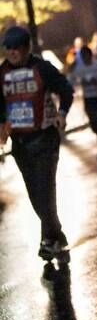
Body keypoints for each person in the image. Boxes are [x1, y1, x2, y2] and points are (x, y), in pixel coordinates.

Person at [0, 26, 74, 263]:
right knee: (35, 194)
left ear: (27, 47)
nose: (13, 54)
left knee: (45, 190)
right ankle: (57, 234)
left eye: (17, 49)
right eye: (8, 50)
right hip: (19, 143)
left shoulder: (41, 68)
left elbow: (66, 89)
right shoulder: (1, 73)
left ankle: (48, 240)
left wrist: (62, 112)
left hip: (45, 138)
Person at [68, 45, 97, 162]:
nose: (85, 58)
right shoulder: (79, 68)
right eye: (83, 56)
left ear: (91, 55)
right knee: (93, 123)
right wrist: (72, 71)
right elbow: (71, 81)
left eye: (87, 56)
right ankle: (96, 127)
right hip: (88, 98)